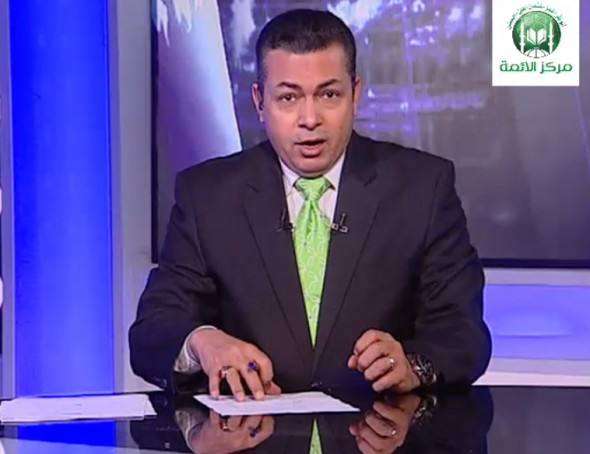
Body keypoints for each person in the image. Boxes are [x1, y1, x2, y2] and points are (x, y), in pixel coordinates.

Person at [129, 9, 491, 399]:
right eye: (288, 98)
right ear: (259, 102)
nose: (309, 119)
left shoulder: (423, 187)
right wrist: (203, 342)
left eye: (328, 95)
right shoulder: (208, 196)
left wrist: (412, 364)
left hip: (383, 427)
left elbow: (463, 332)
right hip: (252, 429)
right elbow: (153, 331)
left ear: (355, 94)